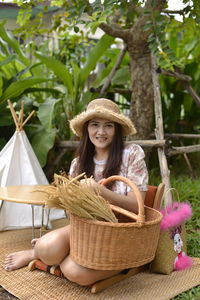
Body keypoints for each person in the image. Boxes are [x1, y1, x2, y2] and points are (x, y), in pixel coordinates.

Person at [4, 98, 148, 286]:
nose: (101, 132)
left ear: (117, 129)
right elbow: (73, 215)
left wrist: (101, 192)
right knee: (46, 247)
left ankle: (119, 263)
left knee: (74, 271)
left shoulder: (132, 154)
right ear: (87, 129)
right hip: (86, 229)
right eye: (95, 125)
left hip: (120, 232)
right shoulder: (78, 163)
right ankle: (38, 253)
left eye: (109, 126)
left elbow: (138, 206)